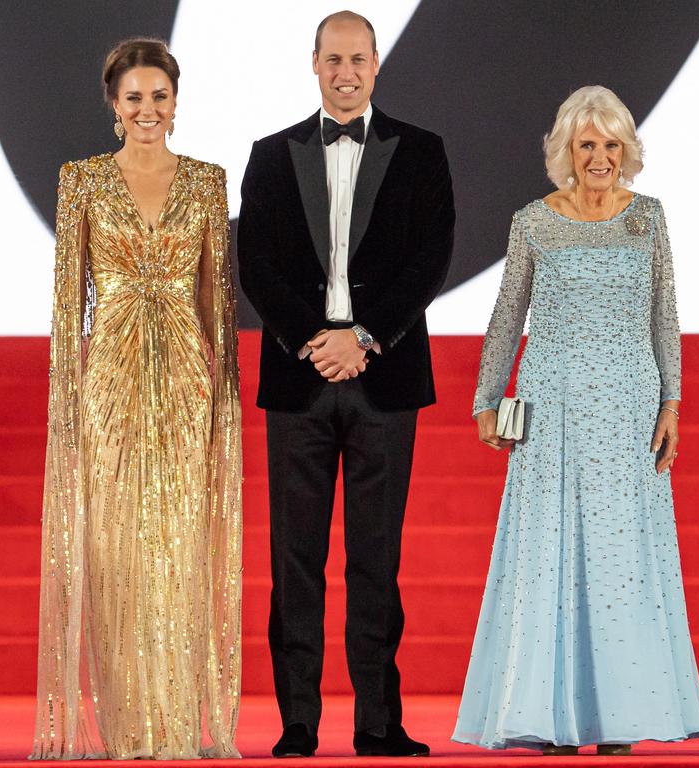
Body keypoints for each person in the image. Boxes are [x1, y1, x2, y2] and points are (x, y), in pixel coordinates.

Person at [452, 85, 699, 756]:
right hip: (554, 405)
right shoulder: (533, 221)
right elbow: (509, 315)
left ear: (627, 149)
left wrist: (673, 404)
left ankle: (617, 719)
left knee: (621, 562)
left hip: (629, 408)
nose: (599, 156)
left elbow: (665, 315)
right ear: (566, 151)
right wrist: (486, 399)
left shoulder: (648, 217)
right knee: (551, 557)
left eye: (610, 144)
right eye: (586, 144)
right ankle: (552, 713)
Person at [237, 10, 454, 759]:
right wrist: (312, 340)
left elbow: (431, 260)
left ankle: (378, 723)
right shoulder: (270, 155)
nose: (346, 72)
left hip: (383, 375)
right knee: (294, 558)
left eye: (358, 58)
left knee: (376, 557)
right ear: (314, 63)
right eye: (333, 59)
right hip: (299, 381)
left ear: (376, 63)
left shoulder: (422, 152)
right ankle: (297, 723)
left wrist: (361, 338)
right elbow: (254, 265)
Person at [31, 38, 242, 760]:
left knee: (178, 546)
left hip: (186, 379)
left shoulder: (209, 182)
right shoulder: (80, 181)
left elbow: (218, 300)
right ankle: (127, 727)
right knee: (118, 549)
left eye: (159, 96)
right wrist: (68, 404)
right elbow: (67, 306)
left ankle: (178, 721)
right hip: (110, 382)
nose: (148, 110)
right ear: (113, 107)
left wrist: (223, 402)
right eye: (134, 98)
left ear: (176, 102)